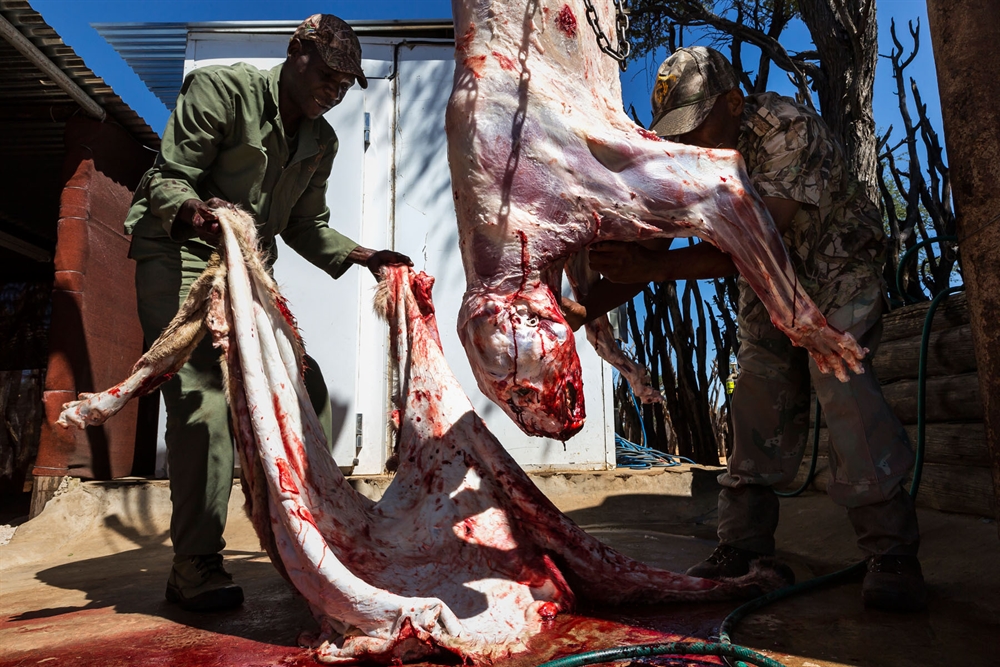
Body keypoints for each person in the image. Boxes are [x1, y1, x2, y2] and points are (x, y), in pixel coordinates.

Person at [563, 46, 925, 612]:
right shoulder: (686, 154)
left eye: (697, 124)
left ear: (733, 102)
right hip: (765, 286)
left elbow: (763, 241)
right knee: (757, 396)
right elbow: (652, 251)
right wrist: (584, 307)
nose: (688, 142)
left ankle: (891, 550)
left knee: (844, 390)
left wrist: (656, 268)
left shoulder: (785, 128)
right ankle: (741, 545)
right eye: (677, 132)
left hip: (834, 272)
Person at [123, 14, 412, 612]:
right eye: (328, 76)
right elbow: (169, 179)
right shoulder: (222, 90)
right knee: (203, 403)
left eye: (343, 86)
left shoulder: (322, 142)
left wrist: (367, 257)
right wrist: (198, 214)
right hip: (181, 250)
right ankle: (194, 566)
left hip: (249, 266)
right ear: (297, 52)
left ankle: (311, 528)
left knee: (304, 386)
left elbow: (307, 225)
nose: (333, 92)